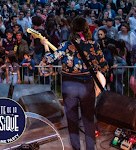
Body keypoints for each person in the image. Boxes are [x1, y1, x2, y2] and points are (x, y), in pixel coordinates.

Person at [43, 16, 108, 150]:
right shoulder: (93, 45)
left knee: (72, 121)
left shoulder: (66, 45)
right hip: (87, 85)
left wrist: (45, 45)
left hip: (69, 85)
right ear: (86, 29)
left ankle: (76, 148)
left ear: (72, 29)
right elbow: (104, 66)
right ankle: (90, 148)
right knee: (88, 120)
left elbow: (49, 60)